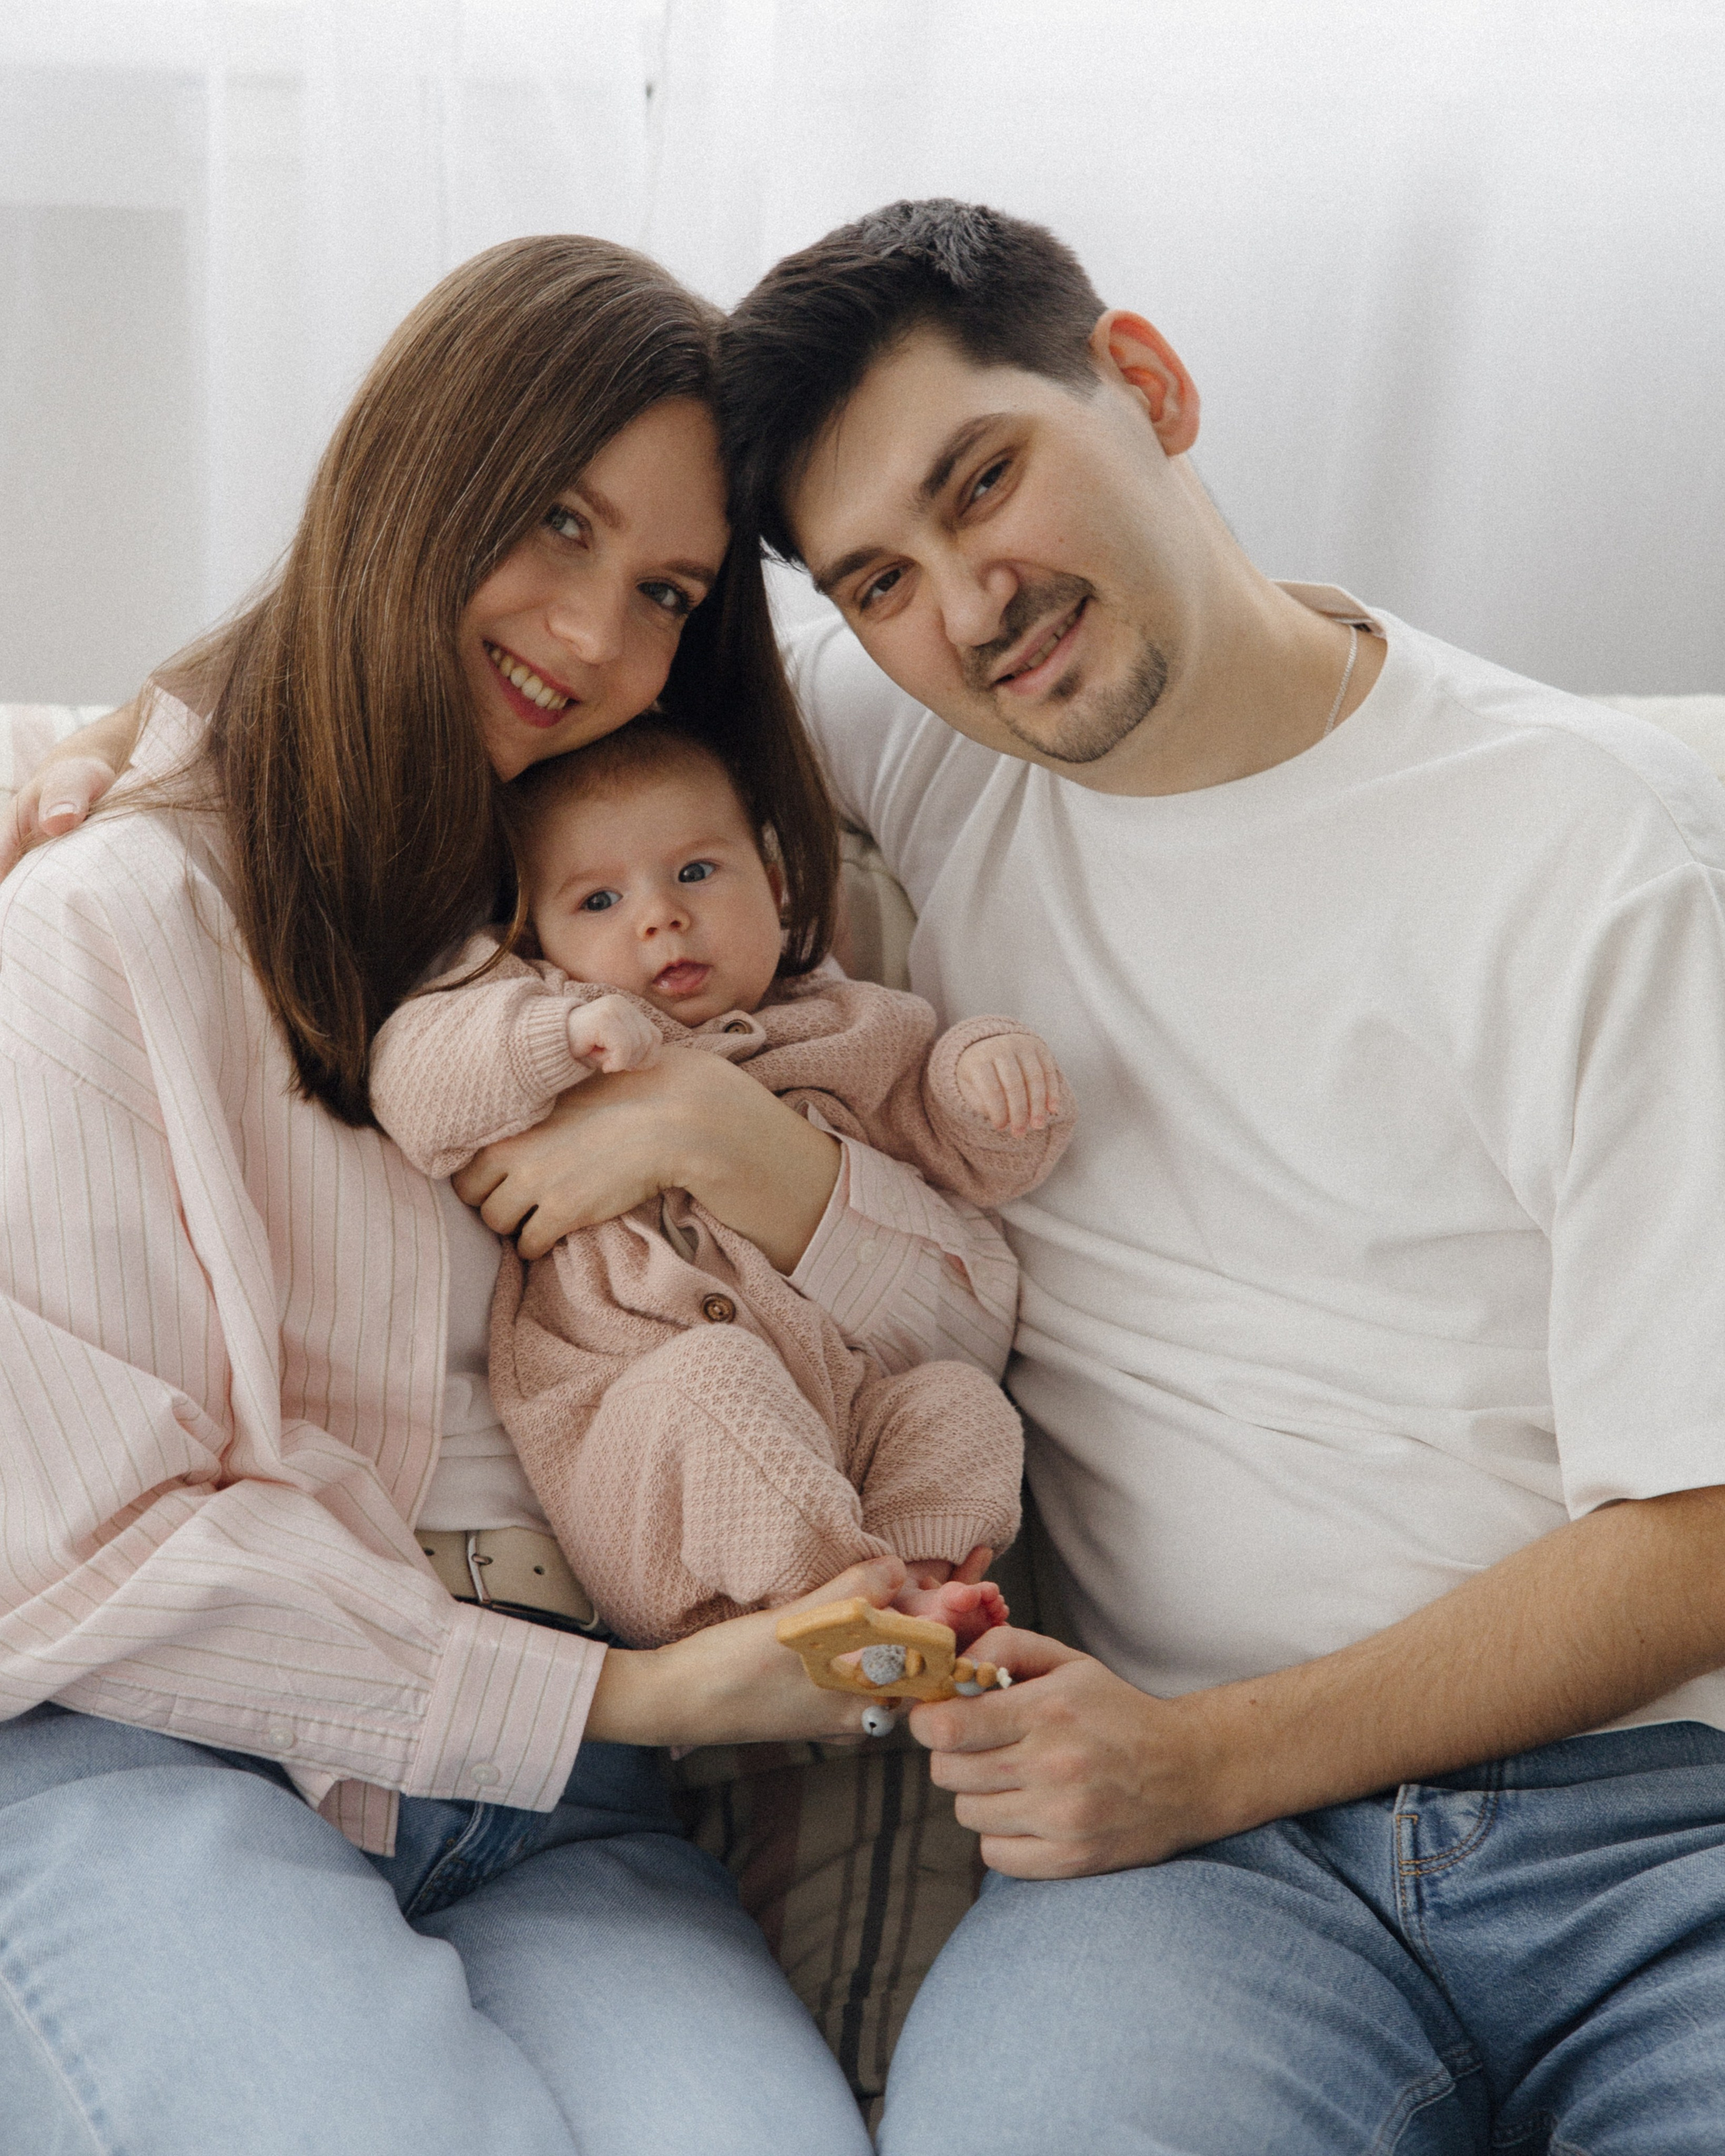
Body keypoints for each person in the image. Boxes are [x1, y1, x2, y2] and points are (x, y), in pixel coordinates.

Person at [714, 198, 1725, 2152]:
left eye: (984, 479)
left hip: (1648, 1837)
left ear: (1149, 385)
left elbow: (1698, 1526)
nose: (970, 605)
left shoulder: (1592, 845)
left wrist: (1198, 1760)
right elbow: (492, 643)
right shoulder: (938, 754)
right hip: (1198, 1901)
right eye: (880, 579)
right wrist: (142, 751)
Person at [0, 232, 1026, 2155]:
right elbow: (71, 1558)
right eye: (556, 521)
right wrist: (638, 1706)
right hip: (172, 1752)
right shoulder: (111, 921)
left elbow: (968, 1317)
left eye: (666, 593)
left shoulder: (632, 905)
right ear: (423, 467)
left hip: (564, 1816)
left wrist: (729, 1143)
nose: (591, 636)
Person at [368, 711, 1071, 1649]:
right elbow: (409, 1080)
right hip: (644, 1457)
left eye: (696, 872)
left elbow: (968, 1153)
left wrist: (987, 1070)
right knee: (716, 1374)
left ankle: (917, 1583)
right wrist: (553, 1036)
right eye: (599, 901)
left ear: (776, 891)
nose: (660, 916)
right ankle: (851, 1608)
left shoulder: (849, 1028)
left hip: (841, 1421)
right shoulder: (541, 1014)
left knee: (960, 1403)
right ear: (533, 936)